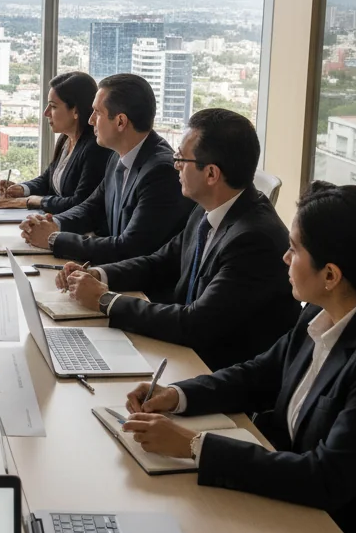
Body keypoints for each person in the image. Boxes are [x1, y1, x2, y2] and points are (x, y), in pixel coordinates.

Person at [122, 182, 356, 533]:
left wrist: (193, 446)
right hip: (285, 510)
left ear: (332, 275)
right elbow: (260, 374)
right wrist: (177, 395)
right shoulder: (319, 312)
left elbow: (326, 477)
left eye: (295, 249)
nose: (284, 257)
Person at [59, 109, 300, 370]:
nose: (175, 165)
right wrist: (98, 275)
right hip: (182, 353)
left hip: (213, 372)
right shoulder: (207, 208)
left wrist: (105, 301)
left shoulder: (254, 239)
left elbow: (196, 323)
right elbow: (160, 263)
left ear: (211, 174)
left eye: (181, 159)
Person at [19, 73, 192, 264]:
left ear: (120, 121)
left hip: (143, 288)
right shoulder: (118, 156)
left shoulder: (160, 172)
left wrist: (54, 239)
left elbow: (130, 247)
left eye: (97, 113)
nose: (91, 120)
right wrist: (52, 224)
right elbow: (91, 207)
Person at [0, 71, 112, 213]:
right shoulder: (66, 139)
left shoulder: (95, 148)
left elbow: (80, 202)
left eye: (53, 106)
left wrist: (36, 201)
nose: (46, 113)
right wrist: (22, 189)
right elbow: (48, 179)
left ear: (75, 111)